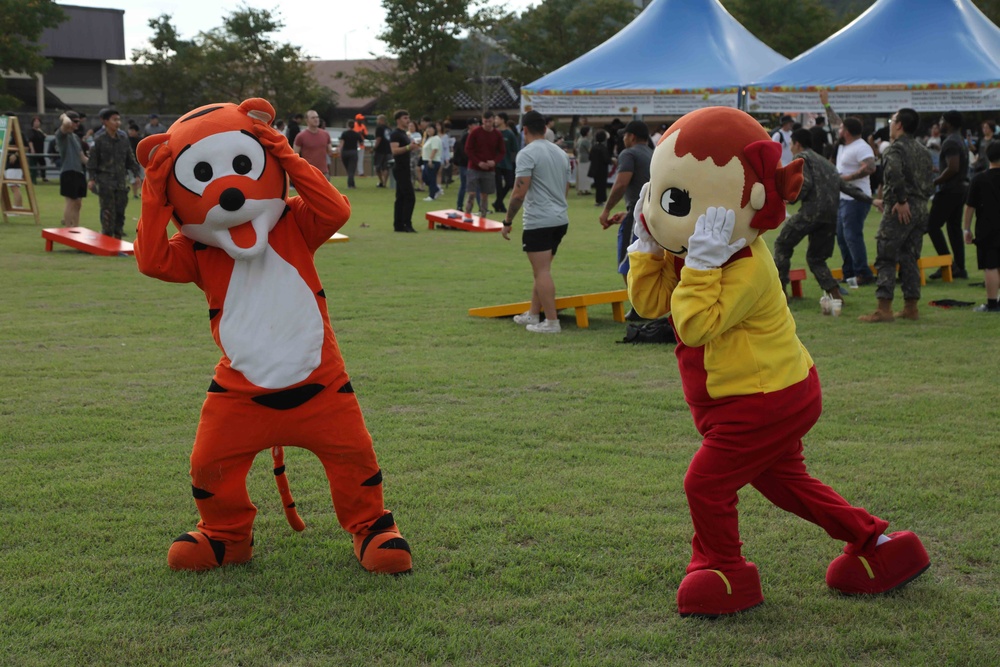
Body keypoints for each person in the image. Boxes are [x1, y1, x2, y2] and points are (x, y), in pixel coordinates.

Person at [627, 106, 929, 618]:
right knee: (787, 484)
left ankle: (723, 570)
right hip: (753, 395)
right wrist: (649, 247)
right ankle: (877, 544)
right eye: (662, 197)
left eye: (674, 201)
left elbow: (695, 325)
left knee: (706, 482)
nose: (663, 210)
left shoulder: (742, 263)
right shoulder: (698, 248)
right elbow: (651, 305)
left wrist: (697, 266)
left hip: (765, 398)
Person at [774, 129, 871, 302]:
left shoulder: (801, 158)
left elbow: (805, 183)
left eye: (791, 144)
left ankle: (781, 293)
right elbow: (844, 185)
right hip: (830, 216)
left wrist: (790, 198)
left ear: (797, 144)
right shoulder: (826, 163)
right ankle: (836, 295)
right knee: (816, 258)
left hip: (811, 212)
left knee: (782, 244)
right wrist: (871, 200)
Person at [858, 108, 934, 323]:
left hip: (901, 208)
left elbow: (893, 174)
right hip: (920, 208)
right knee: (910, 257)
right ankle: (911, 307)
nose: (891, 123)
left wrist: (901, 201)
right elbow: (929, 181)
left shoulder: (895, 149)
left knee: (886, 255)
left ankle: (884, 309)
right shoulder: (923, 150)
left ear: (899, 125)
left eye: (893, 120)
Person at [502, 109, 571, 334]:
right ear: (545, 129)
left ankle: (551, 322)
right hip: (559, 219)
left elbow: (519, 192)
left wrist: (507, 220)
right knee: (542, 269)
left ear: (524, 130)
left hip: (539, 220)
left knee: (542, 271)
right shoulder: (560, 153)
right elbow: (566, 187)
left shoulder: (527, 153)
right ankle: (533, 313)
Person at [822, 93, 877, 286]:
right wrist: (826, 104)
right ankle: (849, 272)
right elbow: (836, 121)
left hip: (856, 200)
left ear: (848, 131)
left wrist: (846, 179)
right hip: (844, 199)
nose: (839, 129)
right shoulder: (847, 143)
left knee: (852, 236)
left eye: (842, 128)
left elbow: (870, 167)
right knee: (843, 237)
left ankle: (863, 273)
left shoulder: (861, 147)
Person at [599, 120, 653, 287]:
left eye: (625, 135)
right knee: (648, 262)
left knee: (627, 262)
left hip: (638, 216)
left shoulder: (629, 154)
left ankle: (638, 307)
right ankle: (649, 307)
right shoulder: (653, 153)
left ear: (632, 137)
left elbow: (621, 183)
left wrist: (606, 209)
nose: (623, 139)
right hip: (652, 214)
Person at [925, 111, 971, 280]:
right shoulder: (960, 139)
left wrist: (936, 181)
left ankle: (948, 264)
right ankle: (960, 267)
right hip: (960, 189)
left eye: (942, 120)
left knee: (932, 226)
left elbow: (953, 167)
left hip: (949, 190)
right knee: (953, 228)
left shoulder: (950, 141)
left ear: (949, 123)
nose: (940, 123)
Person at [87, 108, 140, 239]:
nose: (118, 123)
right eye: (114, 120)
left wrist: (137, 175)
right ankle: (106, 237)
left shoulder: (123, 139)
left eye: (118, 119)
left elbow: (130, 158)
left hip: (121, 182)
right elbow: (93, 161)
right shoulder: (99, 140)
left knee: (120, 211)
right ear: (105, 122)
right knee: (107, 211)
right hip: (105, 182)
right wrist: (91, 179)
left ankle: (118, 236)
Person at [964, 140, 1000, 312]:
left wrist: (966, 229)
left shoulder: (979, 179)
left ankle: (992, 303)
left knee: (991, 265)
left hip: (987, 226)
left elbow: (970, 207)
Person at [464, 110, 505, 219]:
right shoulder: (475, 132)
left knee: (485, 195)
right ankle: (467, 215)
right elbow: (468, 149)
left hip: (489, 169)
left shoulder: (497, 134)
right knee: (471, 193)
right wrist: (478, 162)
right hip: (474, 167)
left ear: (493, 121)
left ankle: (483, 216)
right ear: (482, 120)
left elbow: (502, 151)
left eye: (490, 121)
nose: (487, 124)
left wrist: (494, 161)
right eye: (485, 121)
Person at [54, 111, 87, 227]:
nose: (78, 124)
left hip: (79, 172)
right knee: (70, 201)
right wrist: (63, 115)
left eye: (79, 121)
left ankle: (76, 228)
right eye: (76, 121)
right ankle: (68, 229)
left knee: (78, 203)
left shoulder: (76, 137)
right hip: (68, 171)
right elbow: (66, 123)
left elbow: (82, 156)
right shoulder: (61, 134)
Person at [389, 109, 420, 233]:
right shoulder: (395, 134)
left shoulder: (404, 134)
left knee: (401, 197)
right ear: (398, 120)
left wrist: (412, 147)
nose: (408, 120)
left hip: (406, 167)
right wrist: (408, 147)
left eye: (408, 118)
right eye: (405, 118)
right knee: (410, 197)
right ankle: (407, 223)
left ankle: (398, 224)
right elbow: (394, 150)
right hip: (400, 168)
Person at [293, 110, 335, 178]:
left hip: (324, 172)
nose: (316, 119)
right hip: (308, 172)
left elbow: (330, 151)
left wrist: (335, 152)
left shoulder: (325, 134)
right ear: (307, 120)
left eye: (317, 117)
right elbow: (295, 155)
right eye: (313, 118)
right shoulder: (300, 136)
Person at [493, 112, 518, 213]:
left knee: (510, 183)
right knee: (498, 186)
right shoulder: (493, 132)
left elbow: (514, 149)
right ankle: (500, 205)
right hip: (496, 163)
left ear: (503, 120)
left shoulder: (509, 134)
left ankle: (498, 202)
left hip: (507, 163)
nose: (495, 121)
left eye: (497, 119)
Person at [453, 117, 477, 211]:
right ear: (469, 126)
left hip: (472, 164)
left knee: (473, 186)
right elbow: (464, 151)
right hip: (465, 164)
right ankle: (459, 205)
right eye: (475, 124)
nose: (477, 126)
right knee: (465, 185)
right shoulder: (466, 136)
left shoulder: (474, 135)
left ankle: (462, 205)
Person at [420, 123, 442, 201]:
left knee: (431, 178)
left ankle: (431, 195)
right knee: (425, 177)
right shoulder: (429, 138)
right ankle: (436, 189)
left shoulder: (435, 138)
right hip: (425, 160)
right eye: (427, 128)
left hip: (433, 161)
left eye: (430, 128)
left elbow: (434, 149)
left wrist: (430, 159)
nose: (428, 130)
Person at [337, 122, 363, 189]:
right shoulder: (356, 134)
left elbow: (342, 143)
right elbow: (361, 143)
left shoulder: (344, 134)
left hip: (345, 152)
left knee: (348, 169)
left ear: (347, 125)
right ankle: (350, 185)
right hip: (353, 152)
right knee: (351, 169)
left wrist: (339, 150)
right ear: (354, 126)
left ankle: (352, 184)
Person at [590, 129, 611, 207]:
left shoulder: (594, 147)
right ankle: (602, 200)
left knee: (598, 185)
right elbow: (607, 159)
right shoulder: (603, 148)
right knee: (602, 185)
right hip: (602, 169)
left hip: (595, 169)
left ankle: (598, 200)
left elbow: (590, 157)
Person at [27, 116, 47, 183]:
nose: (37, 123)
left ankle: (43, 177)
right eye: (35, 121)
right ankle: (33, 179)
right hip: (34, 151)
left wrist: (40, 130)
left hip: (40, 151)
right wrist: (32, 149)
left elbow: (45, 136)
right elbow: (30, 141)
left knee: (43, 164)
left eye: (38, 121)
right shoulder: (31, 131)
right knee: (33, 165)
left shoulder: (39, 132)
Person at [127, 123, 144, 199]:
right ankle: (135, 194)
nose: (130, 132)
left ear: (136, 131)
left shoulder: (141, 140)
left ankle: (143, 192)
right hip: (130, 163)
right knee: (133, 179)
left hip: (140, 162)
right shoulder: (126, 140)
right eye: (129, 130)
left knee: (142, 178)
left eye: (132, 130)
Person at [574, 126, 593, 195]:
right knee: (585, 175)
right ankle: (585, 189)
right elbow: (590, 151)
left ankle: (581, 189)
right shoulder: (586, 141)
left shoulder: (580, 139)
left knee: (581, 175)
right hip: (585, 159)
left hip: (580, 158)